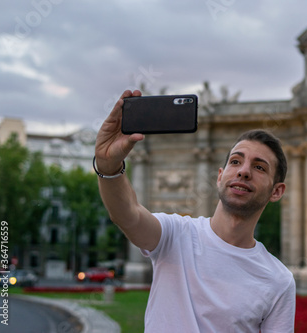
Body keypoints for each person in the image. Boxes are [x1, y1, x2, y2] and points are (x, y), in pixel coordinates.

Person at [94, 90, 296, 332]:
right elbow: (126, 214)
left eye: (259, 167)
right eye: (235, 161)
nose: (243, 171)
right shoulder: (175, 234)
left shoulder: (279, 281)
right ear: (220, 177)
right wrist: (108, 165)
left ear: (277, 191)